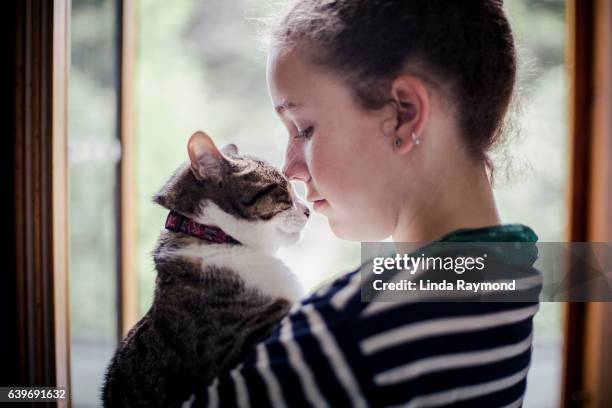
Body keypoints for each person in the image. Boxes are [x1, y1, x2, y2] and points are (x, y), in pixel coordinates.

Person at [187, 1, 540, 406]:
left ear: (404, 114)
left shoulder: (351, 326)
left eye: (304, 128)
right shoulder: (512, 271)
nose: (290, 169)